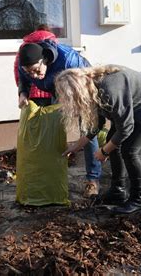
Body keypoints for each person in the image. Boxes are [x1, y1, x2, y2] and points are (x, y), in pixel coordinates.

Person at [55, 65, 141, 214]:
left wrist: (104, 151)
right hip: (135, 106)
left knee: (129, 150)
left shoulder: (109, 89)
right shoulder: (91, 89)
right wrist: (77, 145)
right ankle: (118, 191)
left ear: (78, 91)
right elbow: (98, 123)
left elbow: (126, 128)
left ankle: (138, 199)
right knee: (113, 140)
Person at [17, 40, 103, 198]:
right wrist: (23, 93)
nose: (34, 76)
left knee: (87, 130)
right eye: (30, 73)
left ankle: (93, 179)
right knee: (52, 127)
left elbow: (86, 81)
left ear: (44, 60)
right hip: (55, 89)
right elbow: (24, 80)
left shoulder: (68, 60)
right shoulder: (24, 65)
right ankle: (52, 174)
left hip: (81, 87)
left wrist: (76, 103)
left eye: (36, 70)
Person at [13, 25, 55, 107]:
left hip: (32, 93)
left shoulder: (24, 47)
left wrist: (22, 91)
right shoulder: (51, 44)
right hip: (51, 93)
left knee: (34, 117)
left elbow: (17, 69)